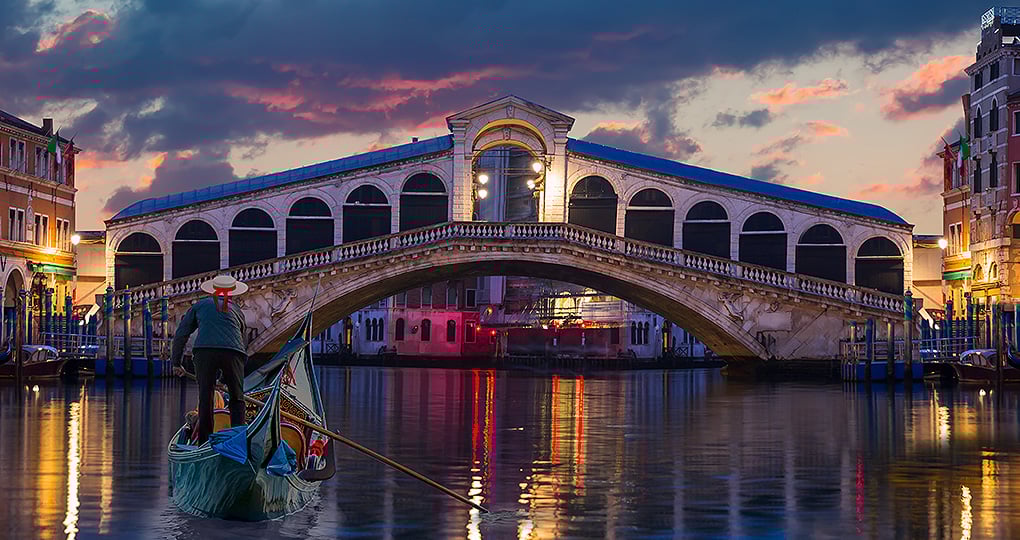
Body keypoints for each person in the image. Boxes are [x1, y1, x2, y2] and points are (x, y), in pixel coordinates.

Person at [171, 274, 249, 445]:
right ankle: (238, 442)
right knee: (237, 398)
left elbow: (181, 334)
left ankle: (204, 442)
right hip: (234, 353)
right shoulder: (237, 310)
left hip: (204, 352)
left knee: (205, 397)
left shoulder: (199, 305)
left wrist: (176, 363)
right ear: (232, 293)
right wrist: (224, 380)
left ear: (212, 291)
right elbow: (243, 345)